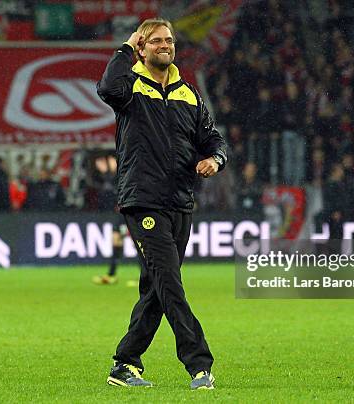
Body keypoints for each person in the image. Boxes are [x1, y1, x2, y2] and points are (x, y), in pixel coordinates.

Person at [97, 18, 227, 390]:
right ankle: (199, 365)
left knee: (156, 287)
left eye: (168, 40)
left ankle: (125, 363)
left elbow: (214, 141)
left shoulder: (189, 94)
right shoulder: (130, 88)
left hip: (180, 202)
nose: (164, 45)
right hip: (143, 200)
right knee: (170, 282)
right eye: (155, 41)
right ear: (141, 46)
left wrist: (214, 160)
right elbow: (107, 87)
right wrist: (125, 46)